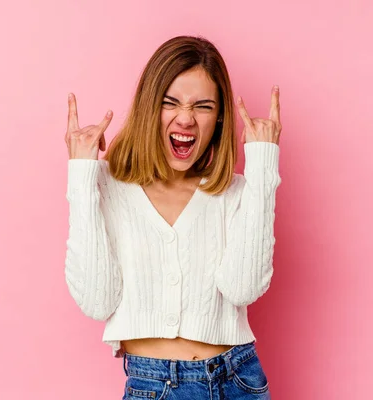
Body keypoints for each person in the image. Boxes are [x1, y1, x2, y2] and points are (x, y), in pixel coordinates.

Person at [64, 35, 281, 399]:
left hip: (238, 380)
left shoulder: (235, 192)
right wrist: (81, 174)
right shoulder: (105, 185)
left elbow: (244, 288)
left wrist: (263, 167)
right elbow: (97, 300)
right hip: (152, 384)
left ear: (219, 118)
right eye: (170, 102)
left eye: (203, 106)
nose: (186, 118)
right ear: (151, 107)